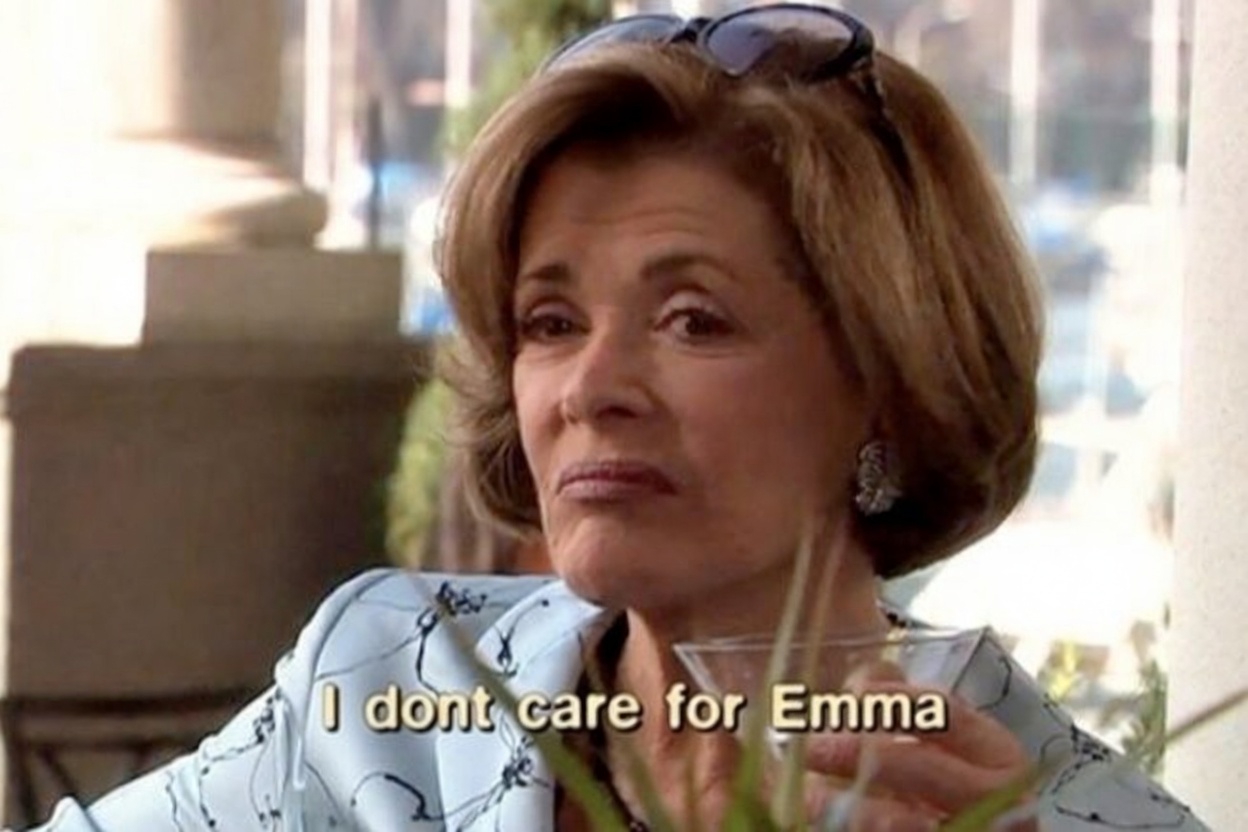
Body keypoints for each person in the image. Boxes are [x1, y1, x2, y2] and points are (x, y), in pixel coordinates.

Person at [17, 5, 1209, 831]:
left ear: (890, 383)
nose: (592, 385)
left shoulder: (1061, 812)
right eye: (550, 321)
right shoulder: (385, 688)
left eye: (694, 319)